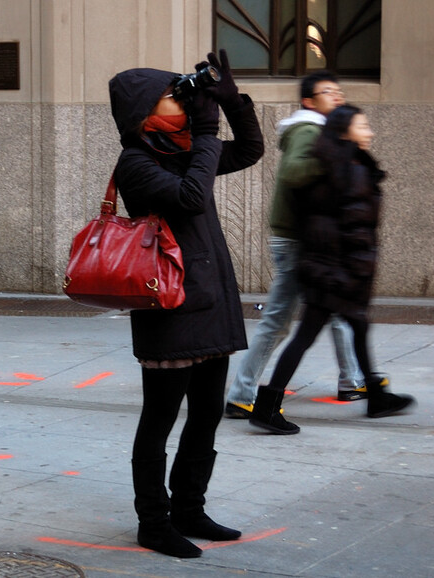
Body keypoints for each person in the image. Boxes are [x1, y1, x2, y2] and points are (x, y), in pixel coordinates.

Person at [108, 50, 263, 558]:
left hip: (210, 300)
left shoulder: (181, 150)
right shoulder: (136, 164)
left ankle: (189, 508)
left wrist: (231, 101)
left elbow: (251, 150)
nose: (184, 102)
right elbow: (192, 197)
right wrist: (203, 132)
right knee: (160, 417)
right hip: (170, 306)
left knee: (206, 414)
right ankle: (153, 521)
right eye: (173, 97)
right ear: (143, 115)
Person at [250, 105, 415, 435]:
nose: (370, 131)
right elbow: (354, 227)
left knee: (358, 326)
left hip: (331, 268)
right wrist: (355, 272)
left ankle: (376, 395)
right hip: (337, 272)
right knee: (305, 337)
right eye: (363, 126)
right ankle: (266, 406)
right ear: (345, 132)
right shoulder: (349, 169)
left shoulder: (339, 164)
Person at [224, 71, 365, 420]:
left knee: (332, 309)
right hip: (299, 240)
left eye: (339, 91)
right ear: (309, 101)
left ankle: (353, 379)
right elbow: (294, 173)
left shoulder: (320, 131)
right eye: (327, 91)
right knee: (278, 321)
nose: (337, 96)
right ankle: (242, 394)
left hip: (307, 238)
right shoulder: (308, 130)